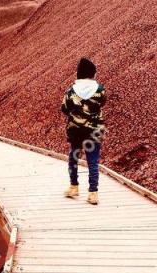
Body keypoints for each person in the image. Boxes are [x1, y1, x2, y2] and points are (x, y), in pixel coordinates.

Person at [61, 58, 106, 205]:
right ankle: (93, 193)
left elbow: (64, 108)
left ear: (79, 73)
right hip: (95, 130)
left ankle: (74, 187)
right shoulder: (100, 89)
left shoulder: (71, 90)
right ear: (93, 73)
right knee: (93, 161)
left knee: (73, 158)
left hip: (76, 130)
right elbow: (103, 102)